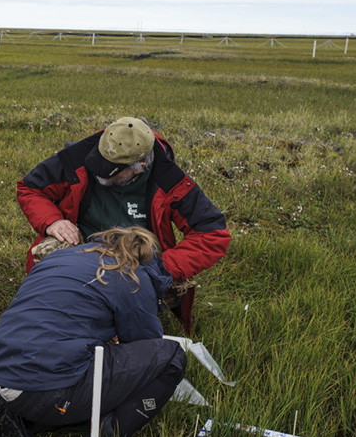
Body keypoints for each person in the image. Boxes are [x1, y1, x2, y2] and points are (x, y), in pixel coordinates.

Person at [17, 117, 231, 335]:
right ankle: (49, 307)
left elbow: (213, 233)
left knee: (169, 288)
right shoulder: (79, 156)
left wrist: (159, 267)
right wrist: (52, 220)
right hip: (80, 248)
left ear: (139, 167)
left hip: (135, 259)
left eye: (110, 171)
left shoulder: (170, 180)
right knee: (49, 251)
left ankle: (120, 320)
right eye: (99, 162)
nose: (99, 173)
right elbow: (30, 188)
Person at [0, 226, 187, 437]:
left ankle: (25, 415)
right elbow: (145, 347)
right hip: (50, 391)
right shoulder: (132, 275)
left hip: (6, 373)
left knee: (78, 361)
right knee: (171, 357)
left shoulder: (69, 255)